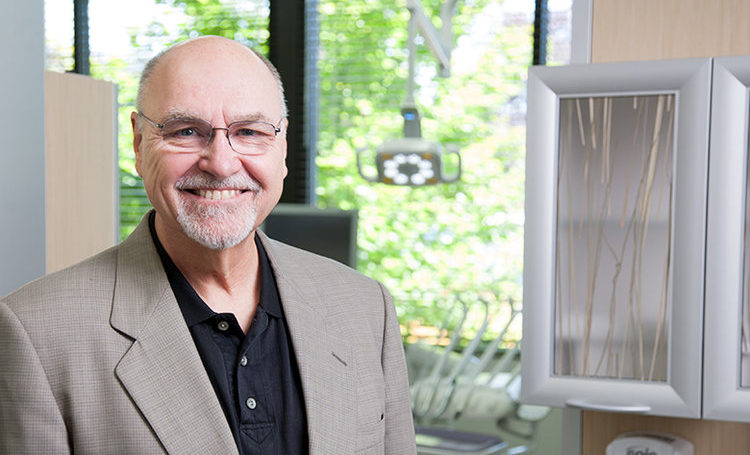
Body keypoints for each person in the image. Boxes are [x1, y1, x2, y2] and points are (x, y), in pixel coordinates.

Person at [0, 36, 416, 454]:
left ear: (283, 146)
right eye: (186, 131)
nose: (220, 163)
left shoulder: (365, 307)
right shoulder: (36, 333)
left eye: (250, 132)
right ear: (140, 144)